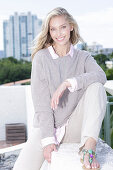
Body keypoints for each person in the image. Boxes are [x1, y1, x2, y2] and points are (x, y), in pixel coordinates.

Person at [13, 7, 107, 170]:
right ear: (49, 32)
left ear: (71, 26)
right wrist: (48, 139)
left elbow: (100, 75)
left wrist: (68, 83)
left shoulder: (83, 57)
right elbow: (41, 104)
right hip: (49, 126)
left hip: (76, 128)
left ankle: (89, 147)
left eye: (63, 27)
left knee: (96, 87)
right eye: (53, 29)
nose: (59, 33)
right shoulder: (41, 58)